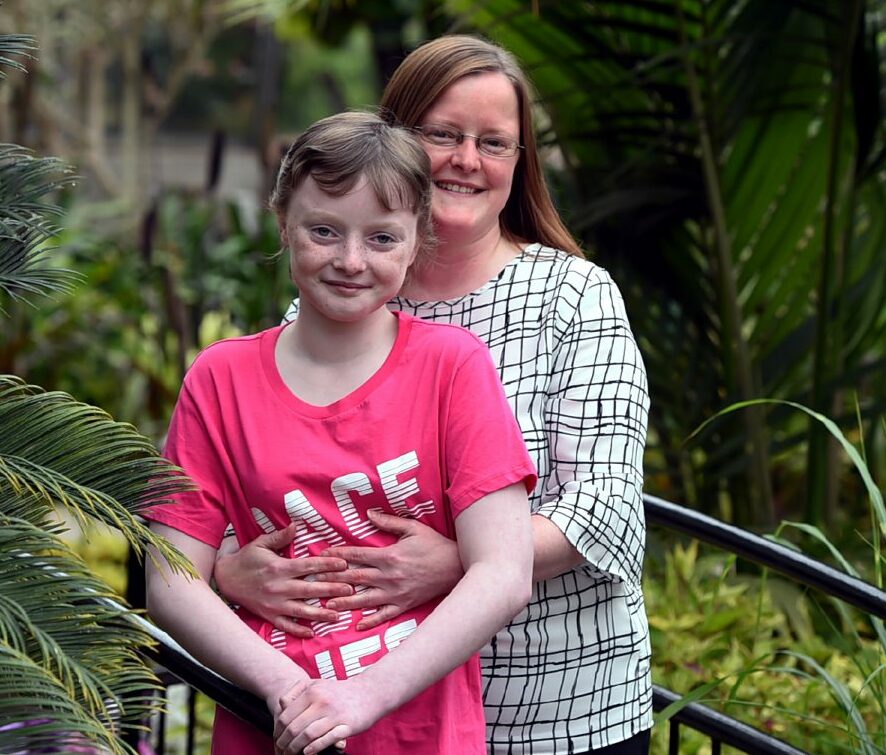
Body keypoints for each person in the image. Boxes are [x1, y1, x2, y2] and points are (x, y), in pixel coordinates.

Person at [213, 35, 654, 754]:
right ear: (396, 142)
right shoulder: (343, 295)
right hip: (385, 716)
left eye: (494, 143)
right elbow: (261, 479)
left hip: (552, 707)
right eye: (443, 134)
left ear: (520, 162)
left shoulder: (572, 295)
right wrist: (230, 569)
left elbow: (605, 506)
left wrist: (467, 560)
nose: (466, 160)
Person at [145, 110, 537, 755]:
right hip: (270, 725)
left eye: (382, 238)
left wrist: (362, 696)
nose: (351, 261)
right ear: (283, 225)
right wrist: (288, 692)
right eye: (324, 231)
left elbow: (504, 571)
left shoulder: (453, 366)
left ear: (417, 241)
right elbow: (171, 579)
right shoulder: (221, 377)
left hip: (420, 730)